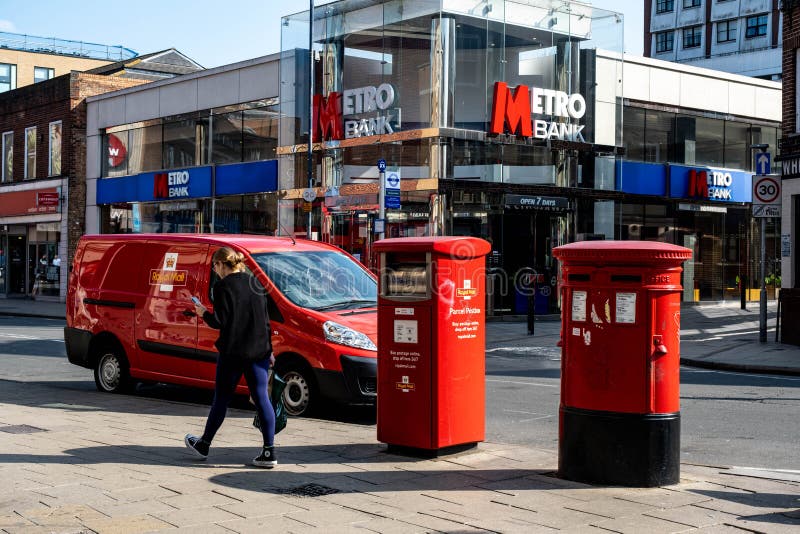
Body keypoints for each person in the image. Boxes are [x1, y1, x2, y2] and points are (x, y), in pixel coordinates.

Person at [184, 247, 277, 468]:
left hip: (233, 352)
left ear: (222, 264)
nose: (214, 271)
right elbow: (266, 321)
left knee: (222, 399)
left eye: (214, 266)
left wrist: (202, 313)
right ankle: (269, 452)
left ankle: (204, 444)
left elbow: (220, 322)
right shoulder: (257, 284)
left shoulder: (223, 287)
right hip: (259, 351)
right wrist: (270, 350)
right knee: (262, 398)